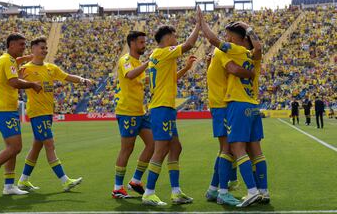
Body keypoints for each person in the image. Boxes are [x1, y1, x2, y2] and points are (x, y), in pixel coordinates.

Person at [201, 16, 269, 207]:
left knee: (231, 149)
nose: (227, 38)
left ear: (237, 39)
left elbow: (231, 67)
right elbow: (257, 49)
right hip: (249, 104)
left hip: (231, 104)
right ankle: (258, 190)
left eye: (229, 36)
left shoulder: (230, 50)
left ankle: (225, 191)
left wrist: (202, 24)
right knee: (252, 150)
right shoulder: (252, 54)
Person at [16, 37, 92, 192]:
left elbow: (67, 76)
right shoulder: (25, 69)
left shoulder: (51, 67)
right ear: (33, 49)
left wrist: (83, 80)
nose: (45, 50)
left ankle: (23, 181)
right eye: (42, 48)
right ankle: (65, 180)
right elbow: (12, 81)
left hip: (47, 112)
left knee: (36, 148)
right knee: (50, 145)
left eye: (46, 48)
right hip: (37, 113)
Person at [141, 17, 199, 206]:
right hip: (161, 108)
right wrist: (199, 25)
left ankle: (176, 192)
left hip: (164, 107)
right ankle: (149, 192)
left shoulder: (159, 56)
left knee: (176, 147)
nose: (177, 39)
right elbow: (189, 44)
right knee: (162, 149)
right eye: (174, 36)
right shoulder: (163, 52)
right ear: (167, 38)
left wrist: (186, 68)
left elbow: (170, 78)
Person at [0, 33, 42, 196]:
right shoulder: (7, 60)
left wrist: (26, 57)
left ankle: (9, 186)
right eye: (21, 45)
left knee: (12, 149)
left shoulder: (7, 59)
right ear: (11, 45)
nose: (23, 47)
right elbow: (14, 82)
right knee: (15, 147)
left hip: (8, 110)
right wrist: (32, 85)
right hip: (4, 110)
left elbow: (16, 62)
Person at [112, 31, 154, 198]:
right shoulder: (126, 60)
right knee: (127, 149)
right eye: (141, 42)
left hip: (140, 112)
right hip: (127, 112)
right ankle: (117, 188)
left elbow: (144, 81)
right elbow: (130, 75)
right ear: (132, 43)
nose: (144, 45)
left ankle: (136, 180)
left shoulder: (138, 62)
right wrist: (148, 62)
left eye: (144, 42)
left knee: (153, 145)